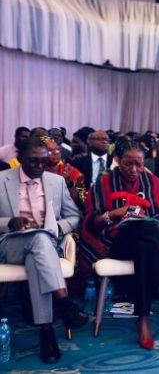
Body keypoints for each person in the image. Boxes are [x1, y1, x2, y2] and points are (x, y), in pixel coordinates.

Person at [81, 140, 159, 350]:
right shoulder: (104, 183)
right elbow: (92, 223)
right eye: (128, 164)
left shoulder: (152, 182)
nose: (134, 169)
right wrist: (114, 214)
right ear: (118, 160)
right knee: (146, 231)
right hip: (114, 242)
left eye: (139, 164)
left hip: (147, 243)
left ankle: (143, 320)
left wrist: (148, 221)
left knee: (145, 241)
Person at [0, 136, 87, 363]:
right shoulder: (2, 179)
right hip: (10, 244)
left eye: (43, 161)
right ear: (20, 158)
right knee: (39, 241)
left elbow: (74, 217)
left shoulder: (56, 182)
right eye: (33, 161)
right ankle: (64, 303)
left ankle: (46, 331)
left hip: (44, 247)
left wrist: (58, 227)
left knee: (37, 251)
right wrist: (10, 222)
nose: (39, 166)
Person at [42, 137, 86, 209]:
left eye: (57, 149)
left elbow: (82, 200)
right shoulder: (35, 172)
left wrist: (67, 183)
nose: (55, 153)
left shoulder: (72, 171)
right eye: (49, 150)